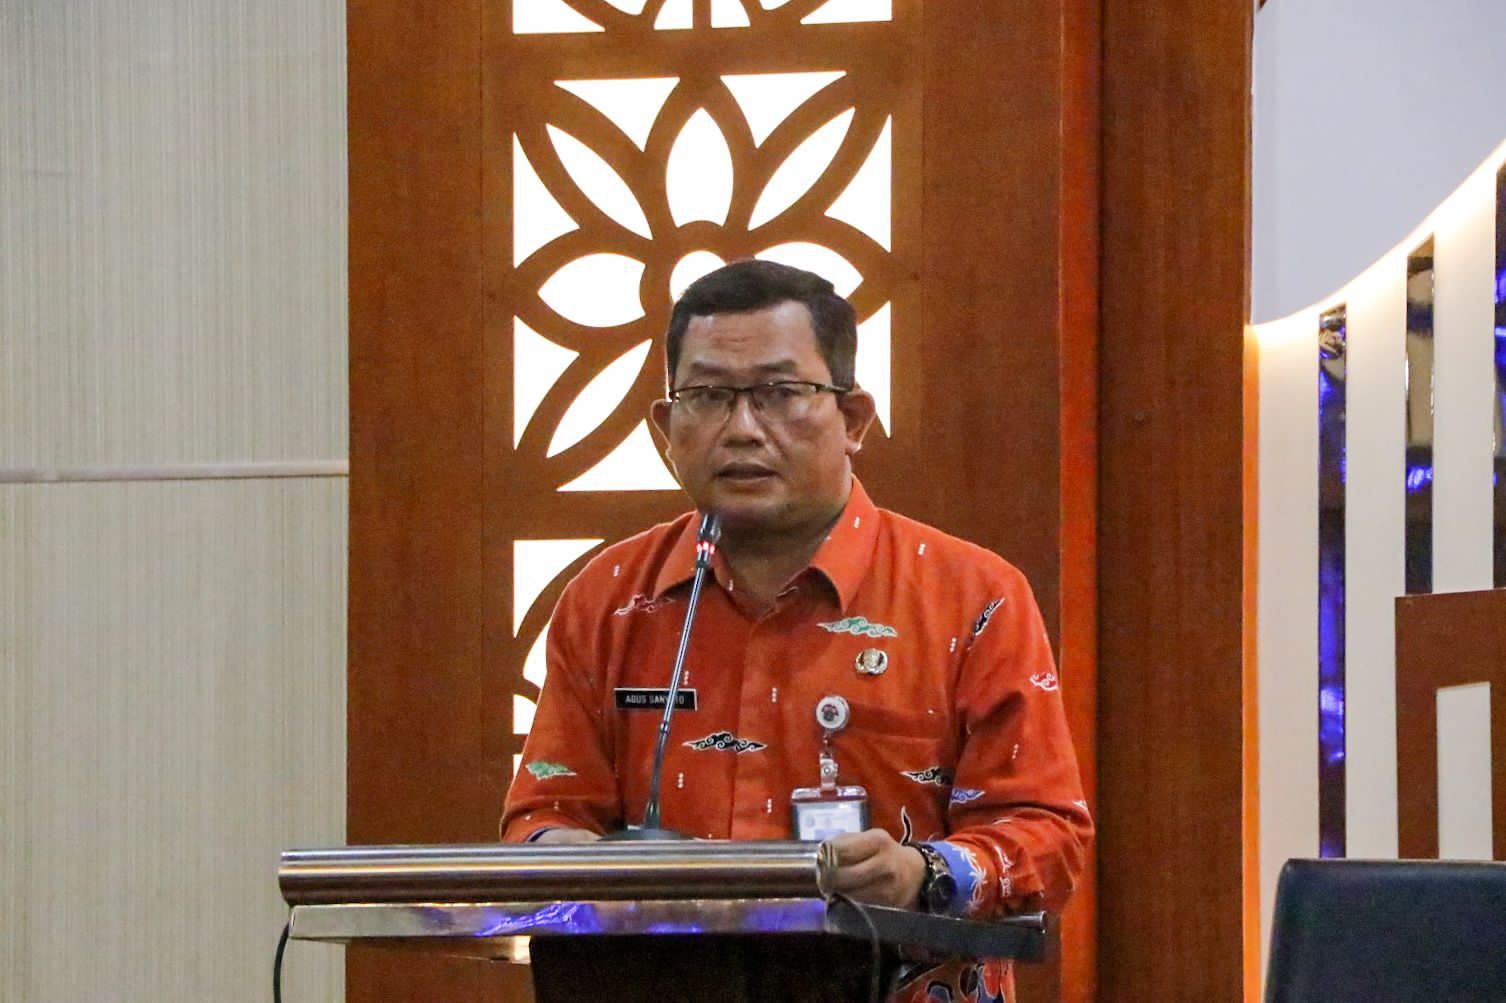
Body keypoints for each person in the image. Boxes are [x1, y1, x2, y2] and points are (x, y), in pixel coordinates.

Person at [501, 259, 1092, 1002]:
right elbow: (546, 812)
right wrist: (572, 861)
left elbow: (1047, 834)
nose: (742, 429)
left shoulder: (972, 596)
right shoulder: (609, 599)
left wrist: (922, 871)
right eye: (708, 396)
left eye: (780, 394)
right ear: (665, 428)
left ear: (854, 420)